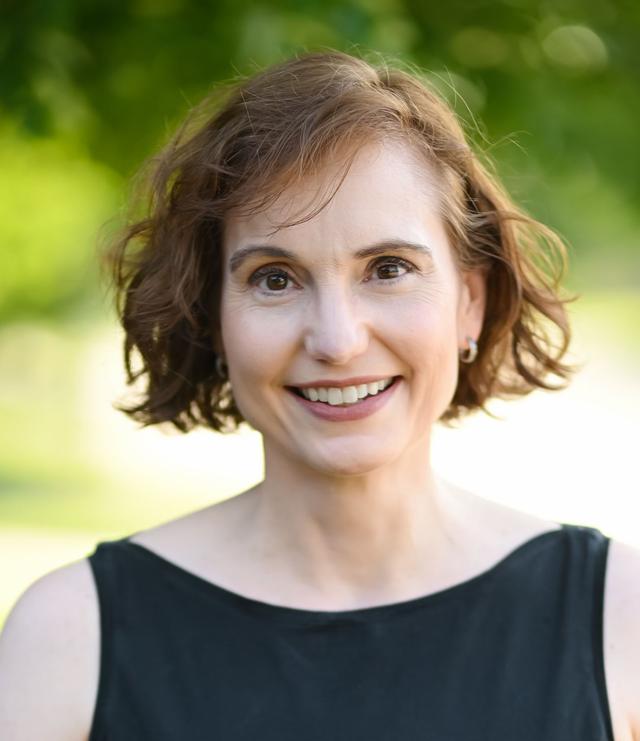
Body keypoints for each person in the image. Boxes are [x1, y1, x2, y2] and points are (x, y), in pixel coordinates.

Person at [0, 49, 638, 740]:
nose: (336, 339)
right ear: (212, 314)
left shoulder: (620, 617)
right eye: (275, 278)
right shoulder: (70, 637)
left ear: (470, 303)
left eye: (388, 268)